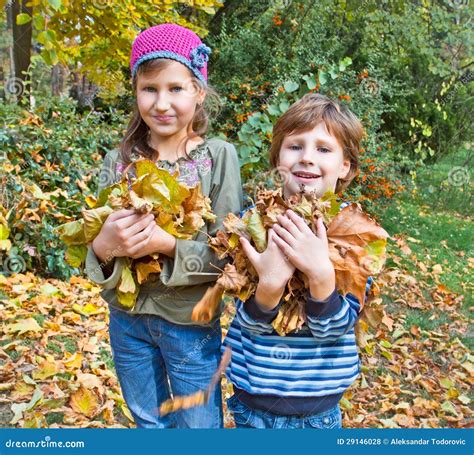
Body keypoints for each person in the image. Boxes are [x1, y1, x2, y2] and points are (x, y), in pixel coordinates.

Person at [85, 23, 242, 428]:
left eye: (176, 88)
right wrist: (104, 246)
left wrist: (168, 244)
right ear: (136, 91)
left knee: (198, 427)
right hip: (127, 321)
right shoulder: (118, 162)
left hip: (189, 324)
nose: (161, 102)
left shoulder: (218, 158)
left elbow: (229, 258)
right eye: (149, 88)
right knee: (148, 422)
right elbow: (96, 254)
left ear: (199, 92)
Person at [224, 93, 372, 429]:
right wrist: (270, 286)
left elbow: (334, 329)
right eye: (295, 147)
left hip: (317, 413)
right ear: (278, 157)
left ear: (345, 165)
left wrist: (321, 275)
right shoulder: (253, 223)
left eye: (323, 149)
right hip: (252, 405)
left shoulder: (356, 235)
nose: (307, 158)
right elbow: (249, 324)